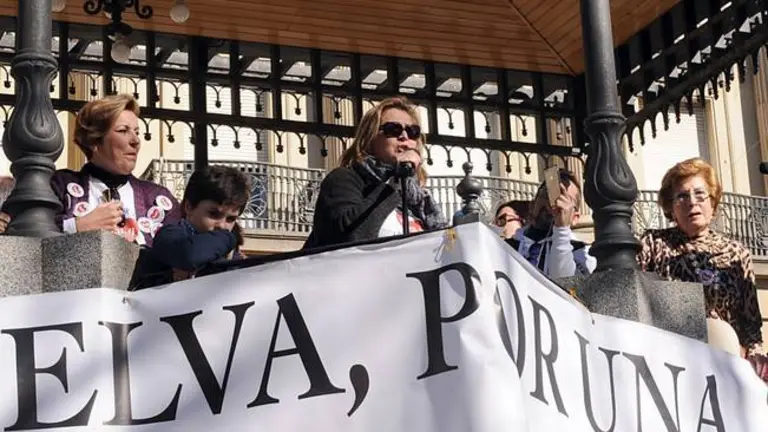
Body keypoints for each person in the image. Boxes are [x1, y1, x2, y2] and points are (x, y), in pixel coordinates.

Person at [637, 158, 767, 380]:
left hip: (727, 366)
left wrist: (755, 357)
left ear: (712, 203)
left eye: (700, 194)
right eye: (682, 196)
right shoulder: (654, 243)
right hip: (674, 364)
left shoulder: (736, 253)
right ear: (671, 208)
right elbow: (635, 295)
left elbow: (751, 325)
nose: (692, 202)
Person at [0, 94, 180, 244]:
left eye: (137, 132)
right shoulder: (58, 186)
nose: (136, 141)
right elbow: (25, 235)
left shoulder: (158, 199)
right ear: (94, 141)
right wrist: (77, 226)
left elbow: (182, 252)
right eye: (123, 130)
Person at [304, 97, 447, 248]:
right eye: (393, 129)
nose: (404, 137)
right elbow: (351, 238)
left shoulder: (419, 201)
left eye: (413, 132)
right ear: (370, 138)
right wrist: (396, 180)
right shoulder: (344, 179)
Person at [130, 165, 251, 289]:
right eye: (214, 214)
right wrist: (229, 238)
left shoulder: (232, 255)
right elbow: (188, 255)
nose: (221, 225)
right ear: (189, 207)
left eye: (231, 219)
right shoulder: (170, 235)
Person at [507, 169, 596, 278]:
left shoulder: (583, 254)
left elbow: (565, 282)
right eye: (546, 194)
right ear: (532, 205)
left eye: (565, 199)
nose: (554, 204)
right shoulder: (507, 247)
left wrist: (561, 229)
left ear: (575, 218)